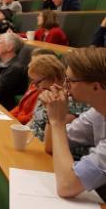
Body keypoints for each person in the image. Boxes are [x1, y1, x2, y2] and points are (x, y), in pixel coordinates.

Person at [40, 48, 106, 199]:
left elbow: (66, 186)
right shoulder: (97, 113)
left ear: (96, 86)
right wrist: (53, 114)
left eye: (70, 81)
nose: (64, 87)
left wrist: (58, 122)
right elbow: (51, 146)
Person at [23, 54, 90, 159]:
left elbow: (53, 140)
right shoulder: (49, 93)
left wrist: (50, 110)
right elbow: (34, 120)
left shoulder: (70, 101)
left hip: (48, 154)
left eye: (37, 83)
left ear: (53, 79)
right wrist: (22, 130)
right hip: (32, 144)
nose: (36, 87)